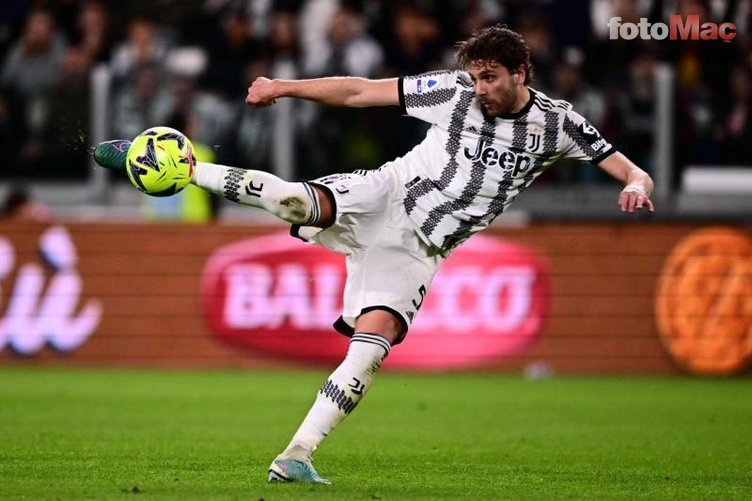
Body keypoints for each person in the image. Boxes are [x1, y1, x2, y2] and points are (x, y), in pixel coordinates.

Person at [93, 25, 654, 484]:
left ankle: (296, 455)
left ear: (520, 74)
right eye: (475, 76)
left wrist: (636, 185)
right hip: (388, 194)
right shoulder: (452, 92)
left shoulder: (556, 124)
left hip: (421, 248)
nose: (479, 88)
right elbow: (360, 91)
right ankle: (181, 167)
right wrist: (284, 86)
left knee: (371, 349)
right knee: (293, 201)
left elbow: (631, 168)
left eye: (490, 78)